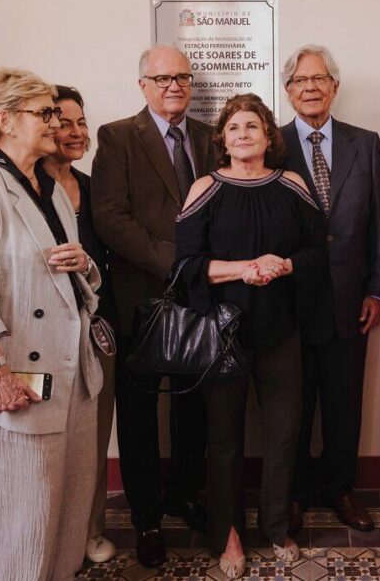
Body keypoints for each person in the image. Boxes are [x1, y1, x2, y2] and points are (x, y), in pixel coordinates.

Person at [0, 67, 104, 580]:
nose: (56, 122)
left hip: (72, 378)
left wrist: (85, 265)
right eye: (45, 112)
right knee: (24, 529)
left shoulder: (51, 188)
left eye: (55, 111)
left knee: (68, 524)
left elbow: (75, 280)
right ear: (5, 119)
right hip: (16, 379)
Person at [176, 93, 328, 578]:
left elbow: (317, 253)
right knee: (224, 440)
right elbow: (185, 267)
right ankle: (228, 534)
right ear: (222, 138)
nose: (243, 134)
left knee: (284, 434)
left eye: (253, 127)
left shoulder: (292, 184)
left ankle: (276, 523)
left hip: (281, 330)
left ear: (269, 137)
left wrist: (282, 265)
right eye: (234, 127)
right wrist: (245, 269)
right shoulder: (205, 188)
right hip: (222, 333)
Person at [91, 45, 217, 567]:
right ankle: (146, 518)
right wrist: (176, 262)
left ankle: (186, 494)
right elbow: (111, 218)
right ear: (142, 83)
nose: (175, 86)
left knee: (196, 408)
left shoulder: (210, 137)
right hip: (140, 300)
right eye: (163, 77)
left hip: (202, 298)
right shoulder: (118, 137)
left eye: (183, 77)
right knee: (140, 415)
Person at [279, 45, 380, 534]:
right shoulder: (271, 142)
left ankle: (341, 489)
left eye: (320, 79)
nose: (310, 88)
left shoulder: (365, 143)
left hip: (351, 298)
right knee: (295, 406)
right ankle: (298, 492)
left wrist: (378, 289)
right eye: (301, 80)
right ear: (287, 91)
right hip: (290, 300)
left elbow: (378, 224)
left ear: (334, 87)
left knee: (345, 404)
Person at [41, 85, 119, 564]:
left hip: (97, 330)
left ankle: (90, 531)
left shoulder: (93, 187)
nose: (73, 132)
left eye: (80, 122)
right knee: (51, 442)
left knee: (93, 436)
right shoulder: (24, 189)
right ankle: (49, 536)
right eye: (62, 122)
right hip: (44, 336)